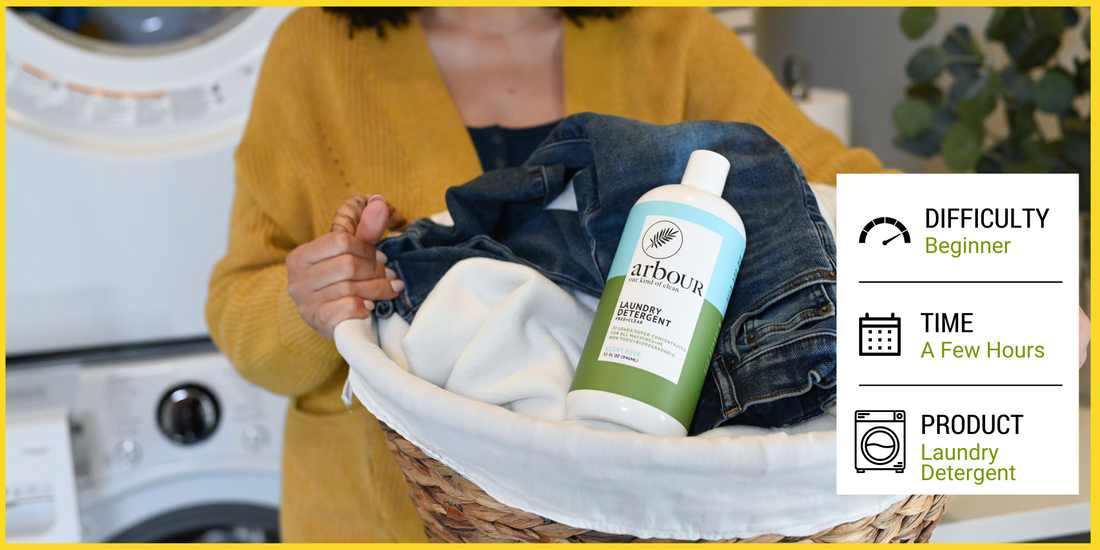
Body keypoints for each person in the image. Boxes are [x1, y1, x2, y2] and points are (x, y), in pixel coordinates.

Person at [206, 6, 1088, 542]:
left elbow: (822, 185)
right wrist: (307, 302)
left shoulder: (674, 36)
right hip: (389, 520)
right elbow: (242, 316)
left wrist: (991, 266)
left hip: (646, 521)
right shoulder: (314, 54)